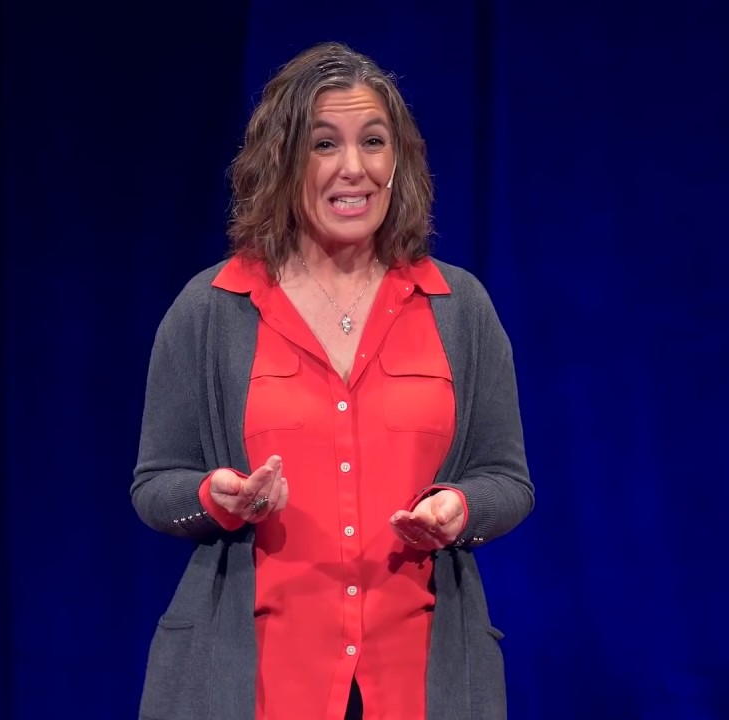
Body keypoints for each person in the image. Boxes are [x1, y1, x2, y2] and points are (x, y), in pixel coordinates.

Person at [130, 41, 534, 720]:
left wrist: (458, 508)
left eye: (373, 141)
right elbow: (155, 485)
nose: (354, 167)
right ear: (282, 162)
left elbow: (507, 480)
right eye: (324, 144)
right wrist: (216, 495)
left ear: (398, 161)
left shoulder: (458, 308)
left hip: (417, 688)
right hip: (257, 689)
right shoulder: (212, 310)